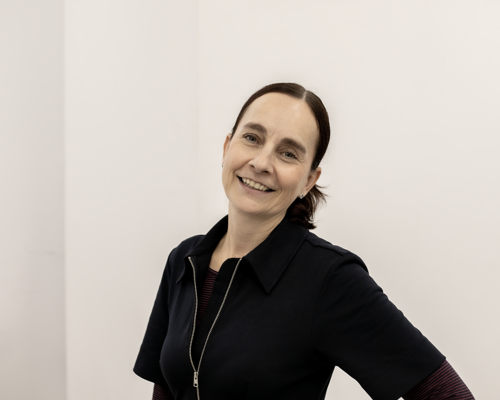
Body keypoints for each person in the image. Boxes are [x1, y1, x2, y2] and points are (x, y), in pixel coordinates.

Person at [134, 83, 474, 400]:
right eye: (252, 137)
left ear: (309, 180)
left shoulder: (330, 278)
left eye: (288, 153)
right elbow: (166, 389)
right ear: (227, 147)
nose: (261, 162)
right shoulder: (185, 259)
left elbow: (448, 393)